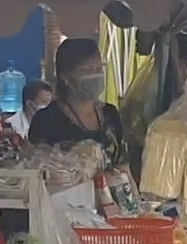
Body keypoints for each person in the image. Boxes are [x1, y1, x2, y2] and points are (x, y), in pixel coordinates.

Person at [29, 38, 127, 171]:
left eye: (98, 69)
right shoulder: (46, 120)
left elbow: (123, 166)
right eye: (87, 70)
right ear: (65, 76)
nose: (95, 75)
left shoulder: (111, 114)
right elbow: (38, 168)